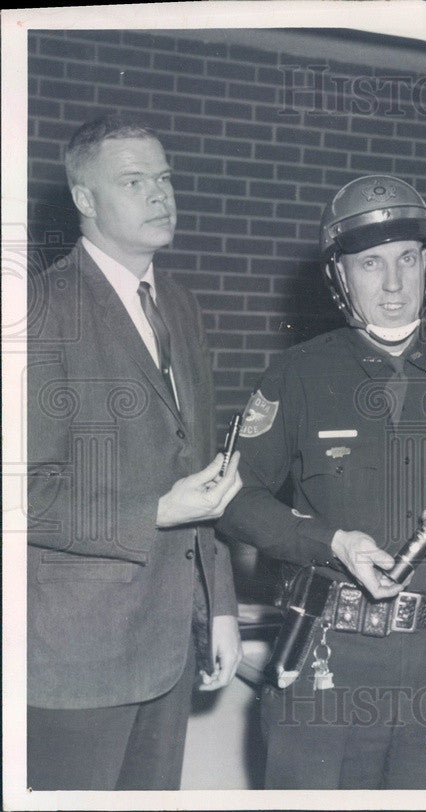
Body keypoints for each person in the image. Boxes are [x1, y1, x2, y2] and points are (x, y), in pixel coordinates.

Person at [216, 175, 426, 789]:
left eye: (407, 259)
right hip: (331, 658)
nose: (394, 284)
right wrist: (331, 543)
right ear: (341, 276)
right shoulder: (298, 374)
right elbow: (234, 501)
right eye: (371, 264)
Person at [26, 114, 243, 791]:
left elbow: (198, 472)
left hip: (170, 644)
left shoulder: (179, 306)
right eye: (133, 181)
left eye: (164, 177)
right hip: (76, 659)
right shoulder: (39, 308)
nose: (160, 194)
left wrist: (223, 607)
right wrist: (155, 509)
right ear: (85, 200)